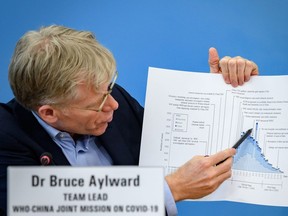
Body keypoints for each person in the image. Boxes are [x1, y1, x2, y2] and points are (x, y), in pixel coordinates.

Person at [0, 25, 259, 215]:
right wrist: (170, 189)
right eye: (98, 105)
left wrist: (223, 91)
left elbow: (176, 147)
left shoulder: (113, 100)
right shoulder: (6, 137)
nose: (113, 104)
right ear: (49, 113)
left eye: (109, 89)